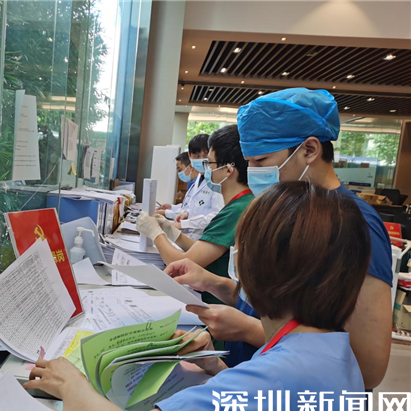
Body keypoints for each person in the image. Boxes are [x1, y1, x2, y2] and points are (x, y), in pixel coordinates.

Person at [25, 182, 369, 411]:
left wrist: (71, 384)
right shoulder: (333, 351)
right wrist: (216, 367)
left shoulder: (279, 378)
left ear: (259, 269)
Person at [166, 88, 393, 389]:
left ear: (309, 150)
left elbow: (366, 365)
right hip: (251, 379)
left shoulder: (353, 224)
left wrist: (249, 330)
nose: (253, 173)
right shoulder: (284, 210)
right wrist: (214, 283)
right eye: (249, 162)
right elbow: (274, 304)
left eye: (261, 161)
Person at [137, 125, 253, 305]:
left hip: (216, 304)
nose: (206, 170)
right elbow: (207, 249)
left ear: (228, 170)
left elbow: (181, 264)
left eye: (209, 163)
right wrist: (171, 231)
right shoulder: (242, 203)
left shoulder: (237, 210)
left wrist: (155, 233)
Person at [156, 134, 223, 240]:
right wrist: (186, 213)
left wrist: (184, 223)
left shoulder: (217, 181)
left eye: (205, 155)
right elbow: (194, 207)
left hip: (204, 239)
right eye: (197, 156)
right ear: (190, 155)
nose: (201, 159)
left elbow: (217, 216)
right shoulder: (199, 179)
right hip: (190, 236)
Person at [156, 152, 196, 222]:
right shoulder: (192, 184)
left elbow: (188, 212)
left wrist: (165, 212)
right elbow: (185, 206)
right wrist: (171, 207)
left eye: (179, 169)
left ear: (190, 167)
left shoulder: (198, 186)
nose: (179, 173)